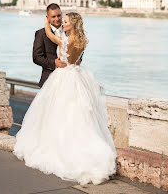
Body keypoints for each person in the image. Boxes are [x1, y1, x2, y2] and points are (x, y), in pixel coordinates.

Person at [13, 12, 116, 185]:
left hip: (63, 77)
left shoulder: (66, 40)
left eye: (66, 21)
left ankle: (60, 148)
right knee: (79, 116)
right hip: (77, 76)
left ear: (73, 24)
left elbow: (51, 35)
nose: (62, 23)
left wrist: (47, 21)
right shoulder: (82, 41)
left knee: (58, 113)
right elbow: (78, 61)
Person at [32, 3, 67, 87]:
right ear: (47, 18)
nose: (57, 19)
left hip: (68, 79)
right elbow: (36, 57)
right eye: (53, 16)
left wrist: (78, 59)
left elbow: (78, 45)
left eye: (59, 15)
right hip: (49, 80)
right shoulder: (41, 33)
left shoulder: (69, 30)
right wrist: (54, 63)